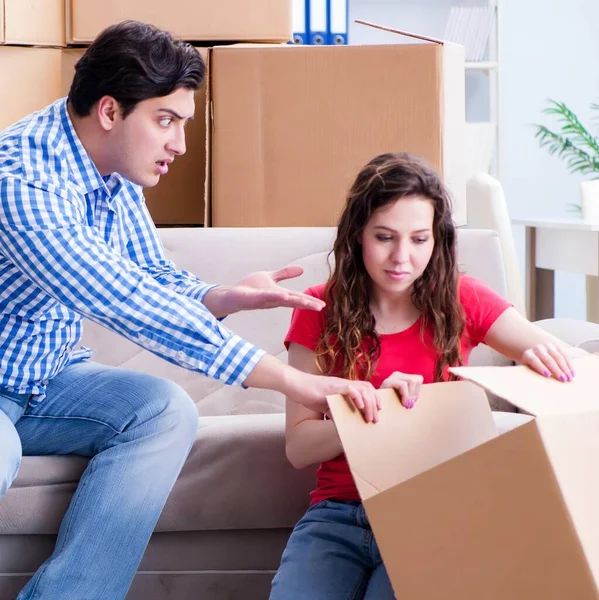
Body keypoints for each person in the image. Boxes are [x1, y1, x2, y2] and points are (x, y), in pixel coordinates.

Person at [0, 20, 380, 600]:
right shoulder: (25, 182)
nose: (178, 144)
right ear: (109, 110)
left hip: (49, 377)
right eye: (166, 121)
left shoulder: (110, 164)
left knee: (162, 411)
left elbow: (148, 274)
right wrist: (296, 383)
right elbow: (125, 300)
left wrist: (218, 296)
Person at [269, 152, 577, 600]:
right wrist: (374, 406)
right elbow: (299, 447)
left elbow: (554, 359)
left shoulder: (461, 298)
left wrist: (550, 367)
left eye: (419, 239)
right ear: (358, 235)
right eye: (384, 237)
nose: (401, 257)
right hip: (338, 515)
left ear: (438, 240)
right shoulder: (318, 309)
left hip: (431, 510)